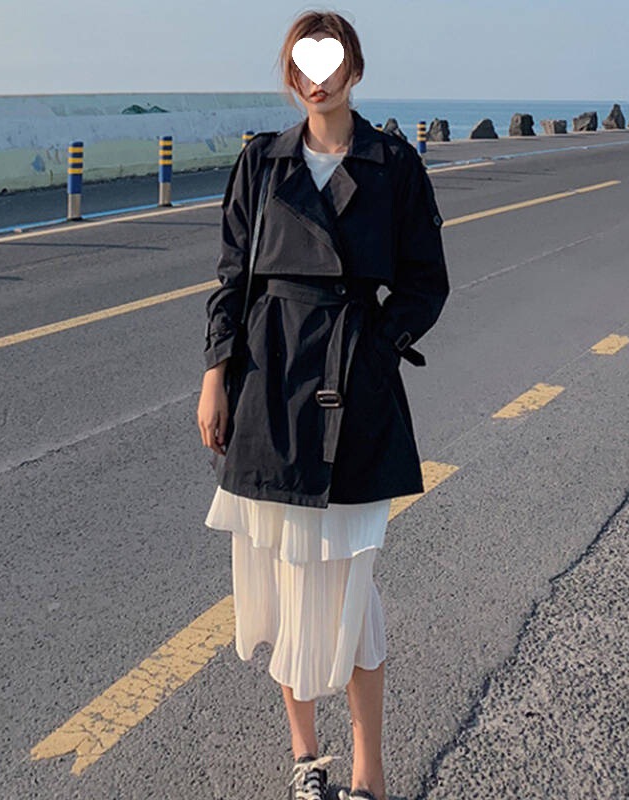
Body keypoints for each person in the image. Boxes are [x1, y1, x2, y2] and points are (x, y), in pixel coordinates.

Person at [197, 10, 450, 800]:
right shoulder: (261, 162)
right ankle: (306, 761)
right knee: (282, 585)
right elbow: (232, 278)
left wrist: (375, 349)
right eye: (302, 63)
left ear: (354, 70)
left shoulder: (393, 164)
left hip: (354, 387)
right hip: (268, 387)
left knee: (351, 590)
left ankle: (371, 773)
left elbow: (426, 282)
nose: (317, 77)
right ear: (291, 76)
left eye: (330, 60)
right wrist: (215, 375)